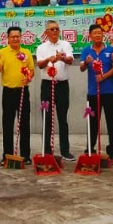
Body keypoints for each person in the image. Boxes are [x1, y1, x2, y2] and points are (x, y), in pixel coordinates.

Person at [36, 20, 75, 161]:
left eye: (57, 29)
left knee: (63, 118)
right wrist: (49, 59)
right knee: (47, 118)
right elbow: (40, 65)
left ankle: (65, 151)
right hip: (47, 85)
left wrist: (62, 57)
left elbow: (70, 60)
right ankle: (47, 150)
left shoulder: (65, 45)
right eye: (51, 29)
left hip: (62, 85)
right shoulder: (41, 47)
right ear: (46, 32)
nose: (54, 31)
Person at [81, 24, 113, 161]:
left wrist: (104, 76)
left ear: (103, 35)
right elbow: (81, 68)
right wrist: (86, 62)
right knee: (92, 123)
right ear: (90, 36)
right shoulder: (87, 50)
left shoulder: (110, 49)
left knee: (112, 122)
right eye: (95, 33)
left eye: (100, 33)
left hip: (109, 91)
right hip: (92, 92)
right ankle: (90, 150)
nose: (98, 35)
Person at [0, 26, 34, 163]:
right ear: (8, 38)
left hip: (23, 91)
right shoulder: (3, 52)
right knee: (7, 124)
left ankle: (25, 155)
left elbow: (31, 71)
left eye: (18, 36)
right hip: (8, 92)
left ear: (21, 37)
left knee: (24, 124)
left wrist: (28, 77)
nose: (15, 39)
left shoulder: (26, 52)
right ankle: (7, 155)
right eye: (13, 36)